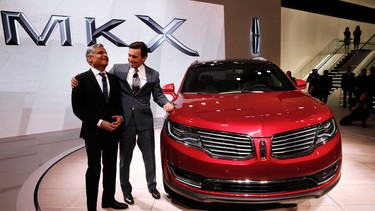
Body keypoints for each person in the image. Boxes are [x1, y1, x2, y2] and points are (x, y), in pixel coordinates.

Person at [72, 41, 174, 205]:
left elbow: (158, 95)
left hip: (144, 122)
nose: (130, 59)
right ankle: (126, 191)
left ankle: (152, 186)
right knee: (124, 159)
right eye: (129, 55)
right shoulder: (117, 70)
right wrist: (75, 79)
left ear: (144, 58)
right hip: (124, 122)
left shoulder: (153, 75)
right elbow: (95, 75)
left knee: (149, 157)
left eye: (134, 56)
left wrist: (166, 103)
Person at [71, 44, 127, 210]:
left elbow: (118, 104)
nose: (105, 55)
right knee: (94, 169)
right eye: (100, 53)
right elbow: (78, 109)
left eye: (106, 53)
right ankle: (91, 207)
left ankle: (108, 200)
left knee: (110, 168)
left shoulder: (114, 80)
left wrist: (120, 117)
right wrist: (99, 123)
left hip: (112, 132)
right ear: (90, 58)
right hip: (93, 132)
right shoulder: (80, 80)